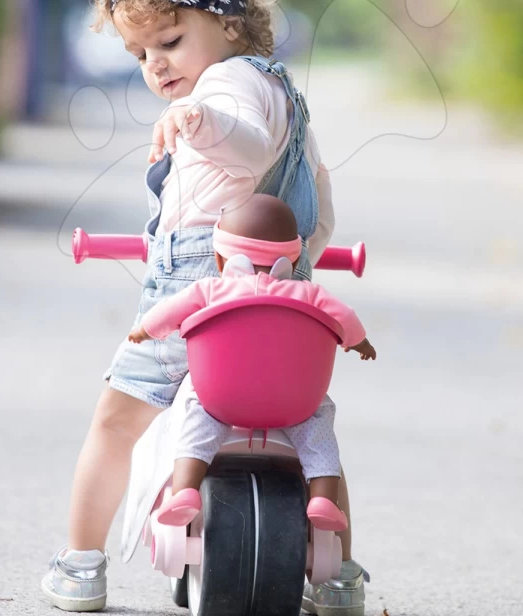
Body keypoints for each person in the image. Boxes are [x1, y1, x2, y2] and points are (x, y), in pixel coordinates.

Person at [41, 0, 370, 616]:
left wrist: (202, 121)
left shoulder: (226, 90)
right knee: (308, 425)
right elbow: (316, 201)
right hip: (287, 298)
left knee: (115, 421)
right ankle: (339, 578)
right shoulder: (288, 94)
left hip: (203, 289)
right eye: (141, 55)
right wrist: (306, 256)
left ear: (227, 23)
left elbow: (243, 143)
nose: (157, 65)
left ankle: (81, 563)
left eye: (169, 40)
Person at [130, 195, 376, 531]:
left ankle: (186, 490)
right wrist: (358, 341)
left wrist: (145, 330)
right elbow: (344, 317)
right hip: (295, 402)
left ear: (220, 258)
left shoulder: (210, 289)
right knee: (319, 424)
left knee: (194, 411)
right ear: (292, 258)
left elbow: (169, 312)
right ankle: (322, 497)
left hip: (222, 399)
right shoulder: (308, 294)